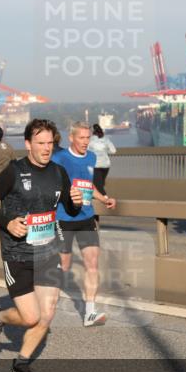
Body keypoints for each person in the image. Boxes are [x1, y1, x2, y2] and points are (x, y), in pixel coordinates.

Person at [0, 119, 84, 372]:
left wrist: (75, 204)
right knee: (30, 317)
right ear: (28, 144)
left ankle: (21, 364)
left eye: (50, 143)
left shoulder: (59, 172)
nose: (46, 148)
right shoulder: (14, 171)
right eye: (41, 143)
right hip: (17, 254)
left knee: (47, 315)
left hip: (47, 251)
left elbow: (69, 210)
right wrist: (7, 222)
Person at [52, 122, 118, 327]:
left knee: (92, 263)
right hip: (64, 218)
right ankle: (45, 303)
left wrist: (104, 197)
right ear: (71, 138)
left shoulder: (91, 157)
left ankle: (90, 312)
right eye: (81, 138)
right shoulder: (59, 158)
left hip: (87, 217)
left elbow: (88, 185)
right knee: (62, 267)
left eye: (87, 138)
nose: (85, 142)